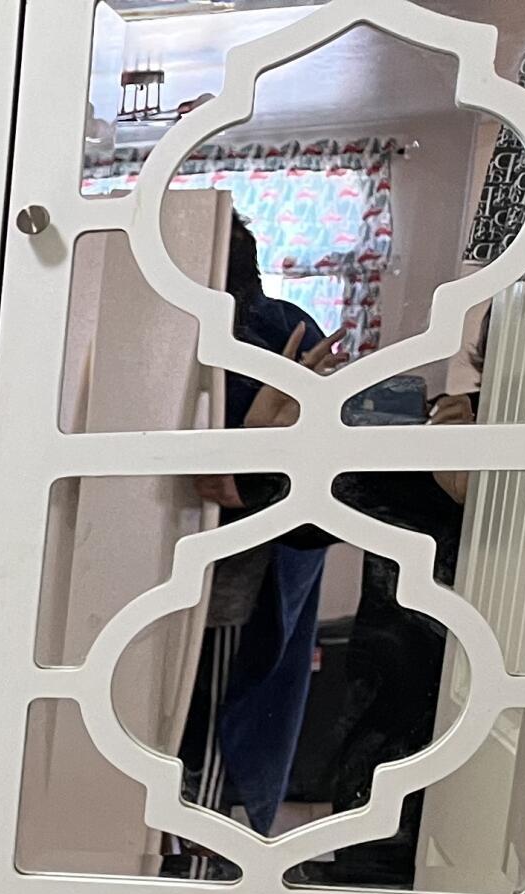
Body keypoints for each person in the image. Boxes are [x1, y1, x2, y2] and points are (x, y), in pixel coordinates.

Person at [182, 212, 346, 836]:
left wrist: (253, 459)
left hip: (237, 574)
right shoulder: (162, 329)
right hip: (186, 559)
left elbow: (323, 473)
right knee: (181, 732)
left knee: (210, 734)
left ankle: (197, 865)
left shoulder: (277, 330)